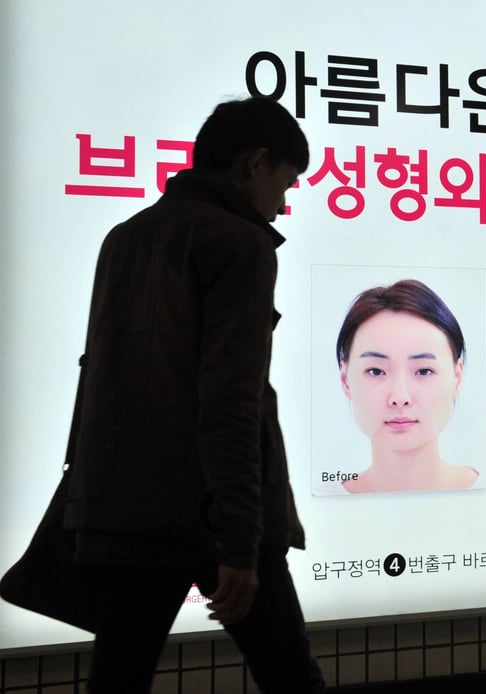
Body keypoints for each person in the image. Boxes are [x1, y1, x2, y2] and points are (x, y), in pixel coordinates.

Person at [64, 97, 325, 692]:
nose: (284, 204)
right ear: (256, 162)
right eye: (287, 183)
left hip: (120, 509)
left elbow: (98, 374)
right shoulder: (241, 243)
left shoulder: (125, 237)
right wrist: (240, 538)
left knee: (118, 680)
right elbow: (232, 397)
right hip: (210, 511)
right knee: (289, 677)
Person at [333, 279, 479, 492]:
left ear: (457, 376)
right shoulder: (314, 501)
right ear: (345, 379)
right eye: (376, 371)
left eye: (423, 371)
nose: (400, 397)